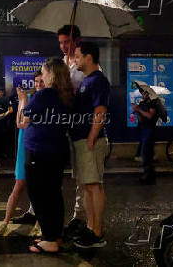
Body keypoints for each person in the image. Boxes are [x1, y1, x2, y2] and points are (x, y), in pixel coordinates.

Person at [23, 57, 74, 253]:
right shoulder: (66, 95)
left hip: (39, 150)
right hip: (57, 150)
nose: (42, 76)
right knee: (53, 194)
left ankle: (50, 239)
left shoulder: (45, 94)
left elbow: (25, 116)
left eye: (44, 72)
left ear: (51, 74)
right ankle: (55, 236)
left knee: (39, 195)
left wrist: (23, 101)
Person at [0, 70, 44, 235]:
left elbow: (24, 123)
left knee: (38, 188)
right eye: (36, 81)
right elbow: (19, 123)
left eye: (42, 81)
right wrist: (23, 100)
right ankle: (5, 221)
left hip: (38, 147)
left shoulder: (45, 100)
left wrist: (23, 101)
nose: (38, 85)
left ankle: (40, 223)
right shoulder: (29, 98)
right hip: (24, 147)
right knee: (18, 186)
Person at [71, 42, 110, 248]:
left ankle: (96, 232)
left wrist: (91, 137)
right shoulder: (87, 81)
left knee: (94, 185)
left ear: (88, 57)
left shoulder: (98, 81)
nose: (75, 59)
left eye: (77, 56)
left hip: (90, 141)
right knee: (88, 186)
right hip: (82, 140)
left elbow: (100, 111)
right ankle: (90, 226)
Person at [58, 24, 88, 239]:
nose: (64, 46)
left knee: (81, 175)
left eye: (67, 42)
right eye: (60, 43)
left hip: (80, 126)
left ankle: (80, 217)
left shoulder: (84, 64)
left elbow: (90, 95)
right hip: (60, 125)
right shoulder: (62, 64)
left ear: (77, 41)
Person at [132, 89, 158, 184]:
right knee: (144, 153)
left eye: (145, 93)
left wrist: (139, 110)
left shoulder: (153, 103)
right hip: (143, 129)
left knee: (147, 153)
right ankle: (147, 174)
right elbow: (141, 119)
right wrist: (137, 112)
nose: (143, 95)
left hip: (150, 130)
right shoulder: (142, 103)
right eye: (142, 93)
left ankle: (149, 175)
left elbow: (150, 115)